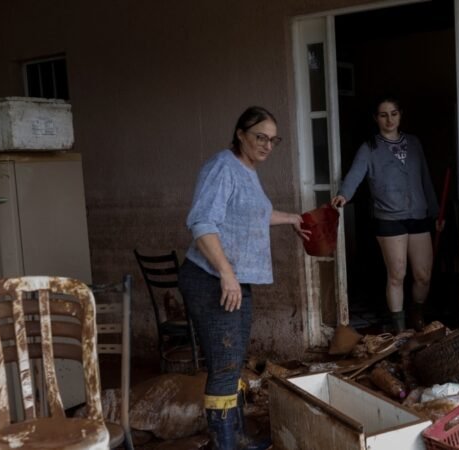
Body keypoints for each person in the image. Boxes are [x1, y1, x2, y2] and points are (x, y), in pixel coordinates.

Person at [178, 106, 309, 450]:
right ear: (240, 134)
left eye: (272, 140)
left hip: (232, 279)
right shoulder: (223, 167)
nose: (267, 145)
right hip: (211, 279)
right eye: (259, 137)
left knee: (233, 360)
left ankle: (234, 436)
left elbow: (252, 216)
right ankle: (224, 443)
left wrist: (292, 219)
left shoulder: (247, 170)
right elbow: (202, 223)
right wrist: (226, 274)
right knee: (224, 364)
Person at [331, 97, 441, 333]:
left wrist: (435, 211)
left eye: (393, 113)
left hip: (419, 214)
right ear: (376, 118)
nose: (389, 119)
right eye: (383, 115)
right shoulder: (369, 147)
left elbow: (424, 177)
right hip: (389, 218)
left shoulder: (414, 143)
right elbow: (355, 174)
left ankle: (417, 313)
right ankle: (399, 328)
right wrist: (344, 194)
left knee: (423, 274)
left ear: (400, 114)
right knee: (397, 273)